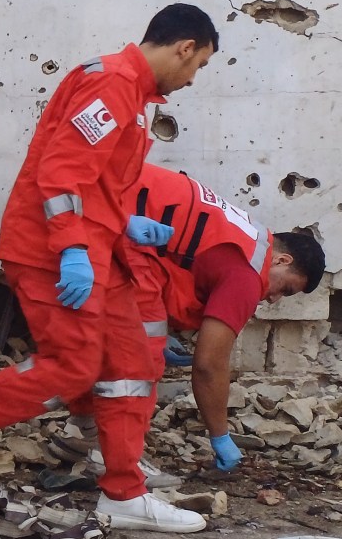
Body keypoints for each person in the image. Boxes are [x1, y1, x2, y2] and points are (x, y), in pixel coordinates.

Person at [0, 4, 222, 533]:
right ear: (185, 47)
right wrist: (71, 247)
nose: (193, 78)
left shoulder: (127, 90)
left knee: (133, 363)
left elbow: (92, 179)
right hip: (54, 252)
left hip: (97, 248)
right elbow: (61, 173)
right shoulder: (113, 86)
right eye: (199, 65)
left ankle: (123, 493)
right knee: (73, 365)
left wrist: (123, 224)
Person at [123, 162, 326, 471]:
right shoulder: (247, 275)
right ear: (283, 260)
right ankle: (119, 463)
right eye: (284, 289)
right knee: (138, 365)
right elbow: (208, 366)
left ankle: (85, 437)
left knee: (117, 354)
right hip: (100, 221)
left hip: (99, 205)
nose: (272, 299)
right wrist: (220, 436)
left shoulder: (244, 233)